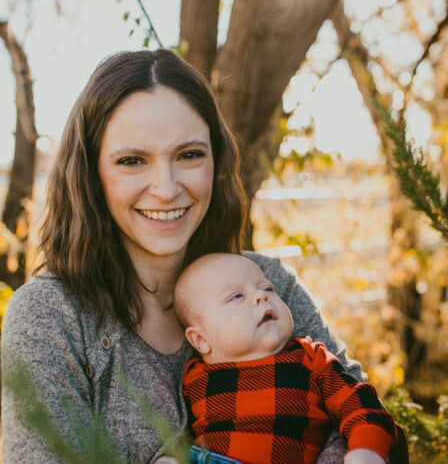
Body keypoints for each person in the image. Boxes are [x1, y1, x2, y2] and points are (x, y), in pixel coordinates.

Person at [2, 49, 363, 464]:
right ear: (91, 173)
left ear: (216, 161)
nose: (166, 188)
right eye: (132, 161)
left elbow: (364, 424)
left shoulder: (270, 285)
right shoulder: (50, 316)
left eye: (189, 155)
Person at [174, 253, 397, 464]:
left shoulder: (310, 358)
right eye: (237, 296)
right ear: (200, 339)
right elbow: (170, 433)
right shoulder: (192, 376)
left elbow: (359, 402)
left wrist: (366, 449)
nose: (261, 296)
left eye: (267, 288)